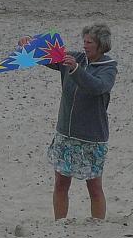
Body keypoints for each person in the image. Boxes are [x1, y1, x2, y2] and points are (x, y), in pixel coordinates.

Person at [20, 23, 118, 220]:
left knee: (95, 187)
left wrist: (75, 69)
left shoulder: (108, 68)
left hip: (92, 137)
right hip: (65, 133)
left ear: (101, 45)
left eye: (89, 42)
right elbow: (49, 59)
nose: (85, 45)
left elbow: (98, 87)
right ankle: (59, 223)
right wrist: (29, 46)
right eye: (84, 41)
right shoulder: (78, 58)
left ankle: (98, 225)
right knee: (61, 184)